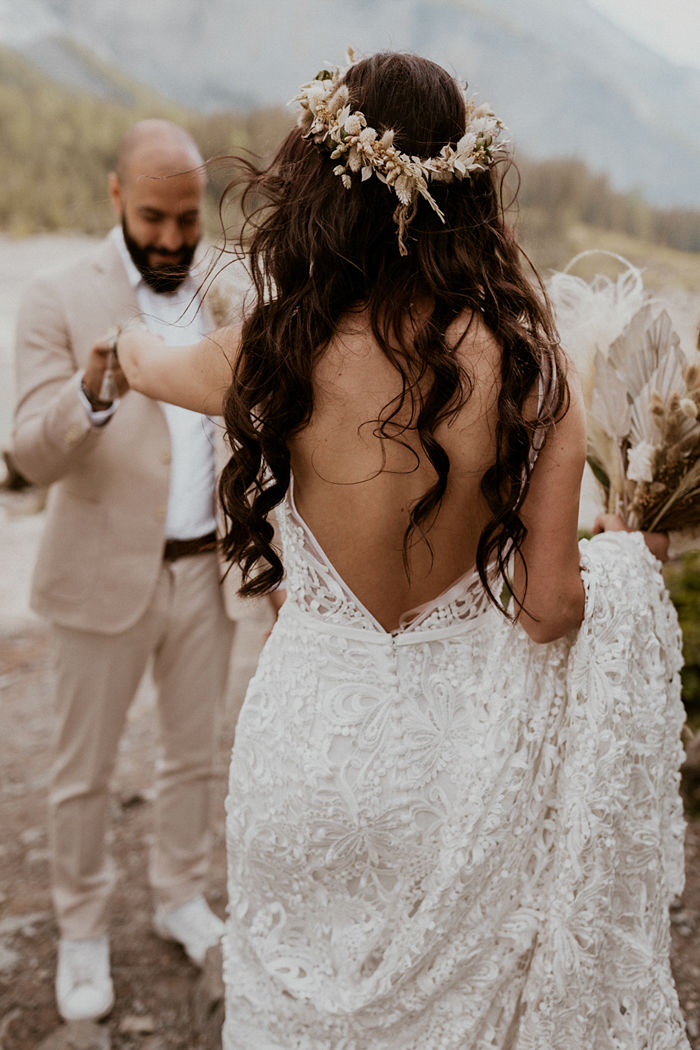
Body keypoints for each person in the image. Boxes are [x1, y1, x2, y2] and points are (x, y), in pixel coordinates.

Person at [117, 55, 690, 1049]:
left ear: (322, 181)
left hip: (302, 748)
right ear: (464, 192)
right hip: (453, 766)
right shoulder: (530, 366)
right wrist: (626, 558)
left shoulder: (270, 348)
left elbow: (148, 362)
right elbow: (550, 607)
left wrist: (120, 347)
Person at [12, 119, 254, 1023]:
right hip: (97, 574)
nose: (171, 238)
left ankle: (181, 896)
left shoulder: (230, 291)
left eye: (187, 219)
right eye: (153, 216)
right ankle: (79, 927)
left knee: (194, 758)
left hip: (208, 572)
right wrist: (89, 396)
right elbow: (30, 458)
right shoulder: (55, 296)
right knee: (83, 770)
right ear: (118, 197)